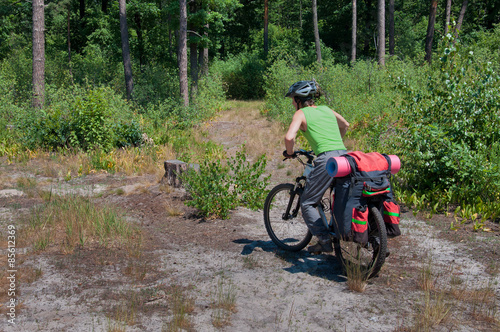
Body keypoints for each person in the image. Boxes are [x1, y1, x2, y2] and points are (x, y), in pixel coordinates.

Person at [283, 80, 349, 253]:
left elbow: (289, 137)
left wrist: (289, 152)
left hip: (327, 159)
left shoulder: (301, 114)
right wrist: (334, 143)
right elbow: (345, 125)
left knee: (307, 202)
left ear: (298, 100)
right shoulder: (326, 109)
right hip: (345, 156)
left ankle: (324, 240)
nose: (292, 103)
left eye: (293, 99)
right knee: (340, 196)